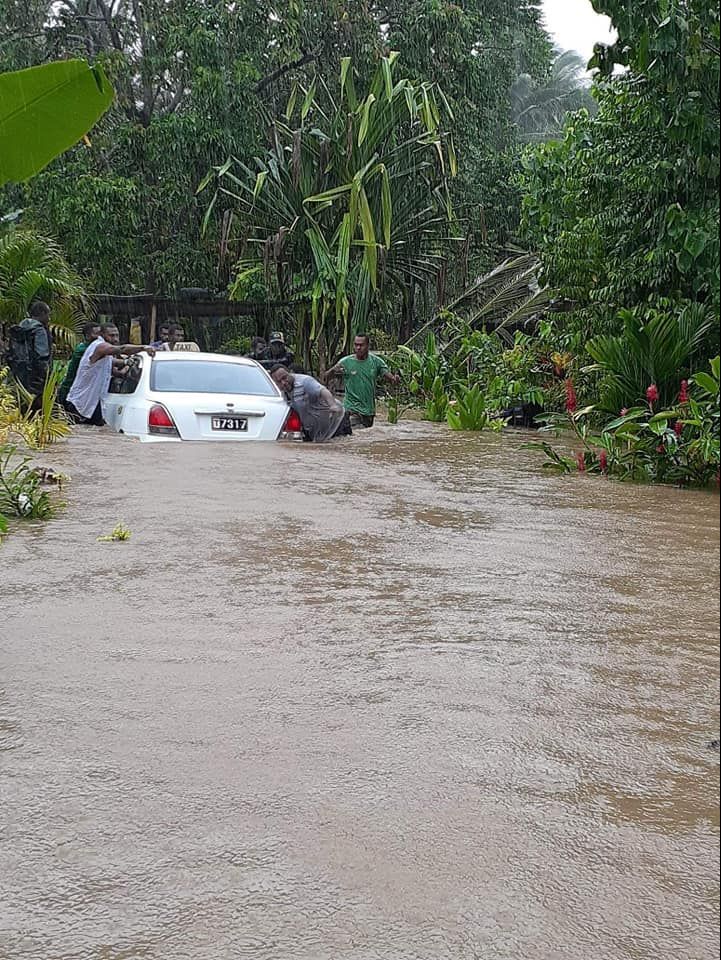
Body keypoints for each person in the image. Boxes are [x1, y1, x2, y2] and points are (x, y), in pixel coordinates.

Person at [66, 323, 155, 425]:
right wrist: (144, 348)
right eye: (111, 336)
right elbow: (122, 349)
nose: (116, 339)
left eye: (117, 335)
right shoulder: (100, 346)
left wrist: (127, 364)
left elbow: (113, 369)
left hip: (94, 402)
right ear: (102, 334)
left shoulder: (105, 353)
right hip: (80, 402)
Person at [325, 333, 399, 428]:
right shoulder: (345, 362)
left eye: (361, 345)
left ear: (368, 346)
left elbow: (390, 378)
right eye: (356, 345)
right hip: (351, 409)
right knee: (354, 433)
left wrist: (394, 379)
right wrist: (332, 371)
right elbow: (326, 377)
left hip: (368, 412)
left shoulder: (376, 362)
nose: (358, 348)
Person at [271, 365, 351, 441]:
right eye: (279, 381)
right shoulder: (281, 394)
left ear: (290, 373)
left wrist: (332, 405)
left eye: (285, 378)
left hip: (337, 420)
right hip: (316, 428)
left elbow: (323, 391)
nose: (284, 382)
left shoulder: (305, 381)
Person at [5, 301, 53, 401]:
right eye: (48, 314)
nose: (49, 318)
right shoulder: (39, 330)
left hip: (19, 375)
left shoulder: (19, 329)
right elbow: (42, 356)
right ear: (43, 313)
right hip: (35, 379)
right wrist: (47, 378)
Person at [58, 321, 101, 406]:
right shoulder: (85, 350)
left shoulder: (91, 347)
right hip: (70, 391)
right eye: (97, 334)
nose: (100, 337)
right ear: (88, 336)